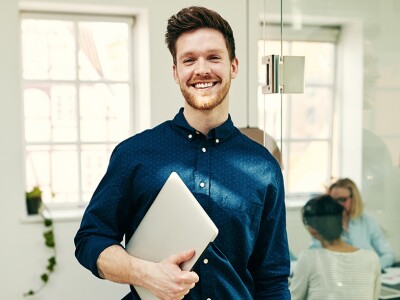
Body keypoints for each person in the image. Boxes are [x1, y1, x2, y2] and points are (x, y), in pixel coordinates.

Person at [74, 6, 290, 300]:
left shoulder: (263, 167)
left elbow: (272, 278)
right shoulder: (134, 154)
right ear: (176, 72)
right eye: (189, 60)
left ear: (234, 66)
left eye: (214, 57)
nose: (202, 69)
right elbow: (90, 240)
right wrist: (146, 273)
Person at [290, 195, 381, 300]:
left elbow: (292, 297)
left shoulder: (308, 258)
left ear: (312, 231)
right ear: (343, 222)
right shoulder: (372, 258)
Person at [310, 178, 395, 269]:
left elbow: (388, 255)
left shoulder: (367, 222)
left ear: (354, 199)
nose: (336, 205)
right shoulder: (323, 223)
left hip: (362, 274)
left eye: (342, 200)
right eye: (332, 201)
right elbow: (314, 255)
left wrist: (369, 267)